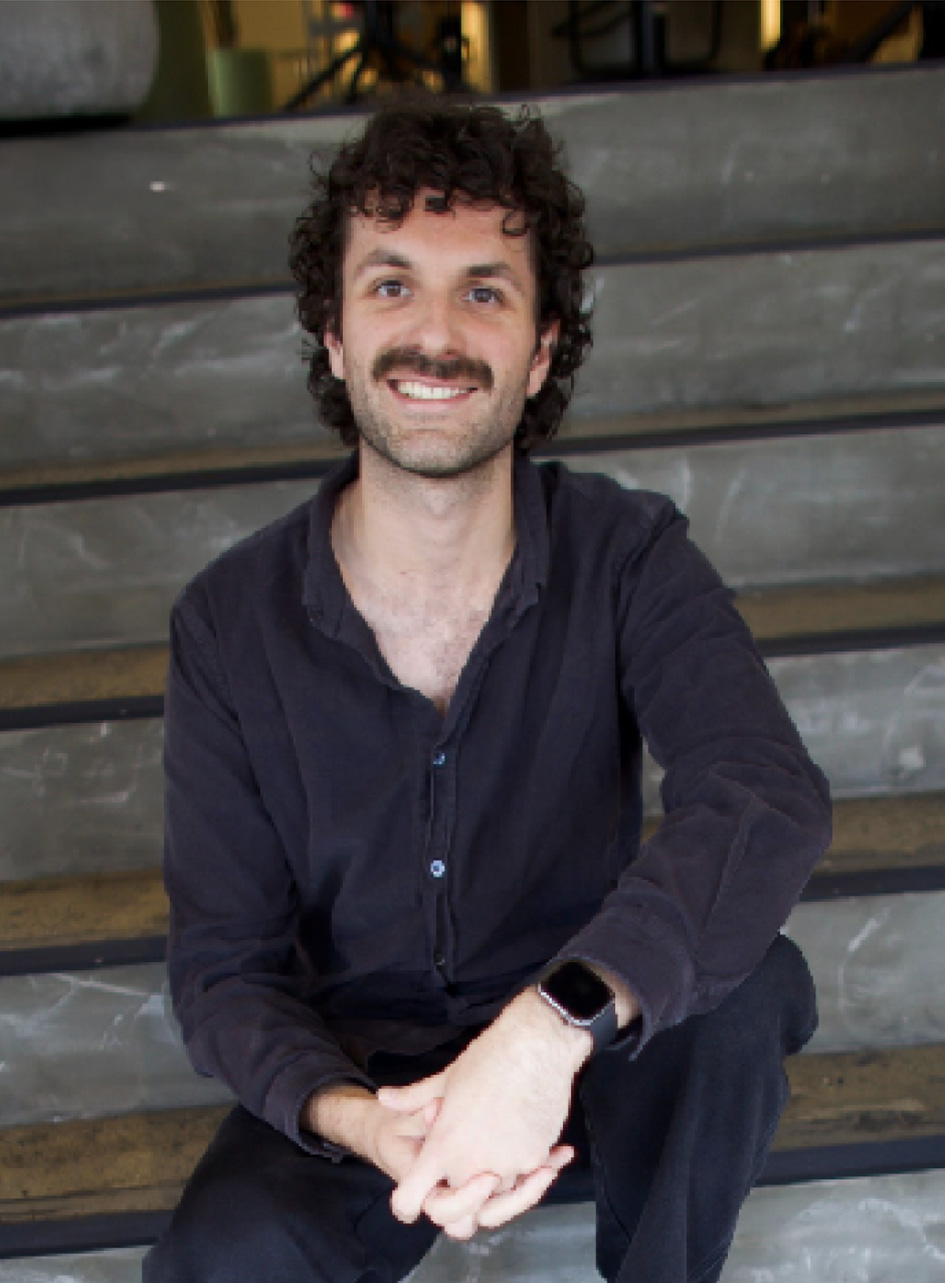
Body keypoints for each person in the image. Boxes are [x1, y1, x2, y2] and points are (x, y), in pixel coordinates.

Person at [144, 98, 830, 1283]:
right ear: (335, 335)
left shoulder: (627, 555)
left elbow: (763, 792)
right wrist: (364, 1119)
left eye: (484, 292)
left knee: (743, 986)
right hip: (372, 1076)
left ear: (541, 348)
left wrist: (549, 1027)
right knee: (225, 1253)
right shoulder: (228, 623)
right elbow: (223, 967)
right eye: (393, 285)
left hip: (587, 1033)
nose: (436, 334)